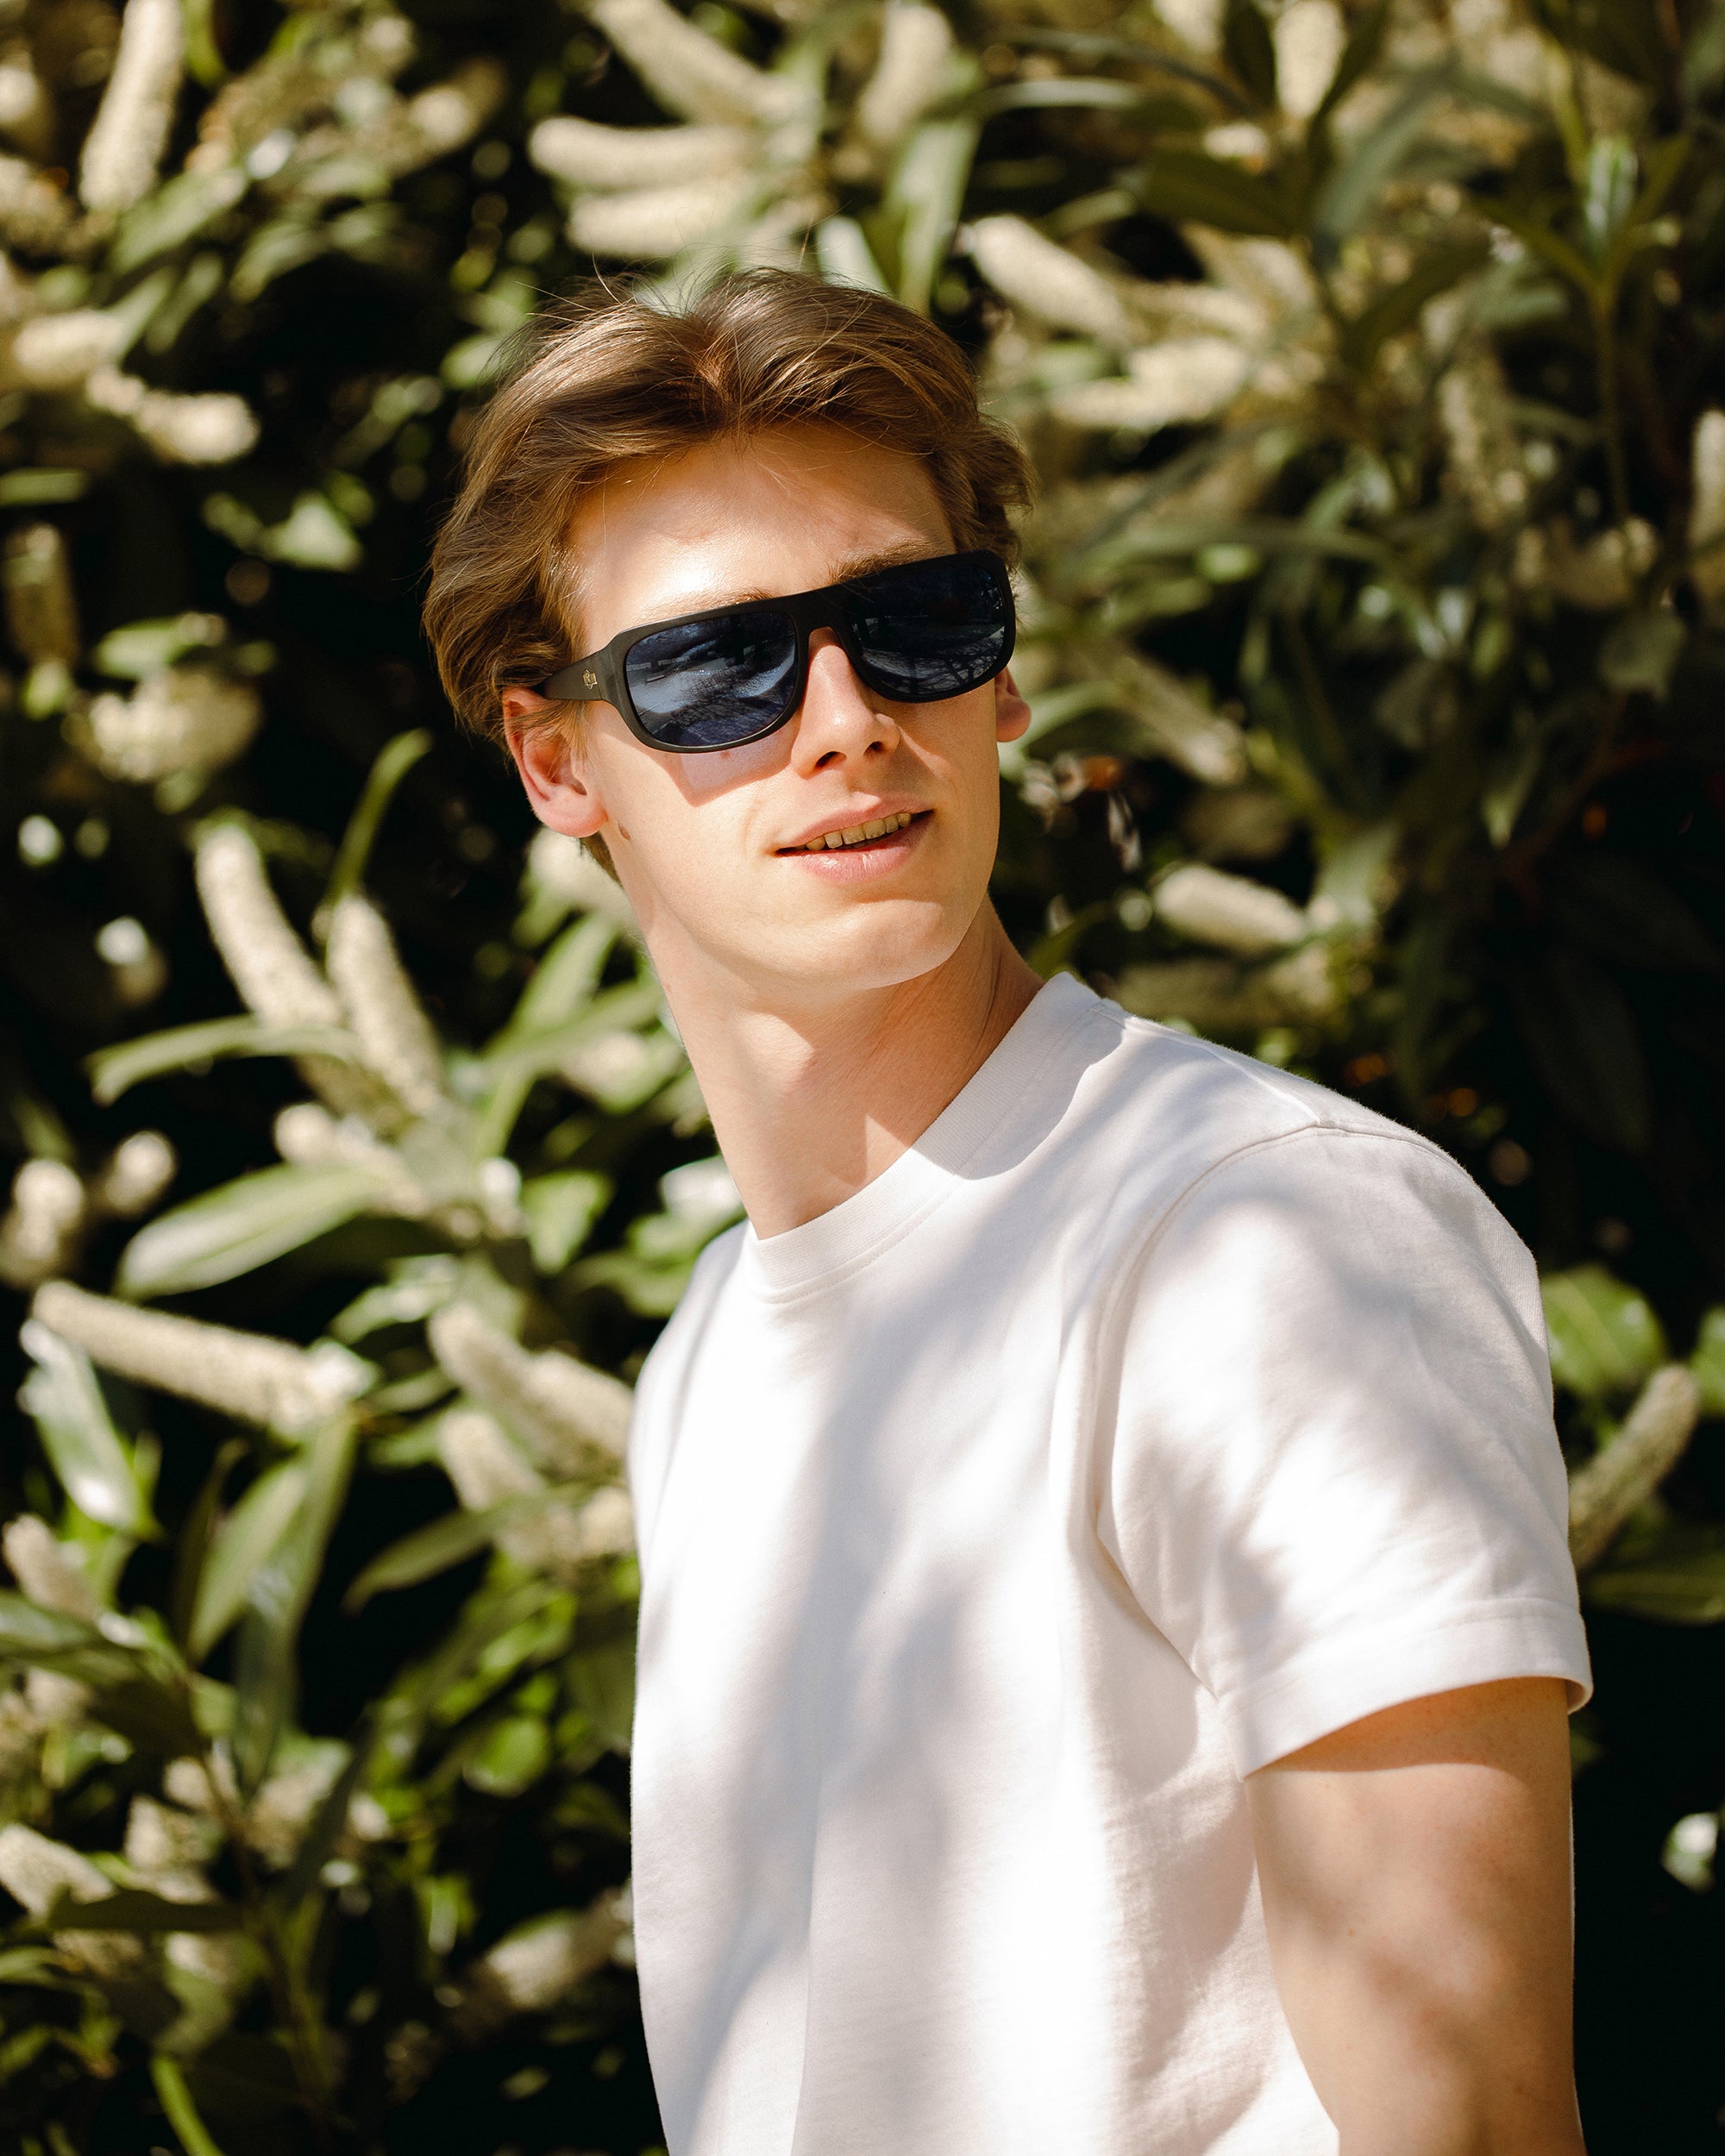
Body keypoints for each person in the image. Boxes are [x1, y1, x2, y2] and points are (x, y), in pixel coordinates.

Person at [425, 272, 1591, 2156]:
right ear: (559, 760)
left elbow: (1465, 2115)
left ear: (1005, 674)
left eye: (916, 625)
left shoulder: (1263, 1243)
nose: (844, 719)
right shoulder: (709, 1354)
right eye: (716, 668)